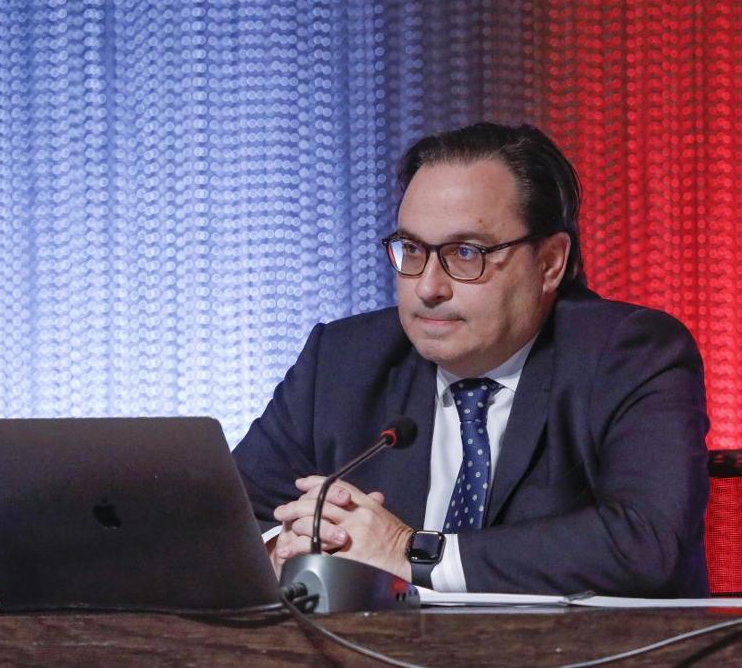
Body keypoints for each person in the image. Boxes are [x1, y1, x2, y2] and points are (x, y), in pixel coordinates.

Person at [232, 122, 710, 596]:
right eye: (412, 249)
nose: (428, 287)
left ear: (550, 263)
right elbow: (228, 520)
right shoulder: (343, 362)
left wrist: (408, 551)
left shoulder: (630, 354)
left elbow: (646, 542)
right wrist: (282, 552)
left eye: (465, 253)